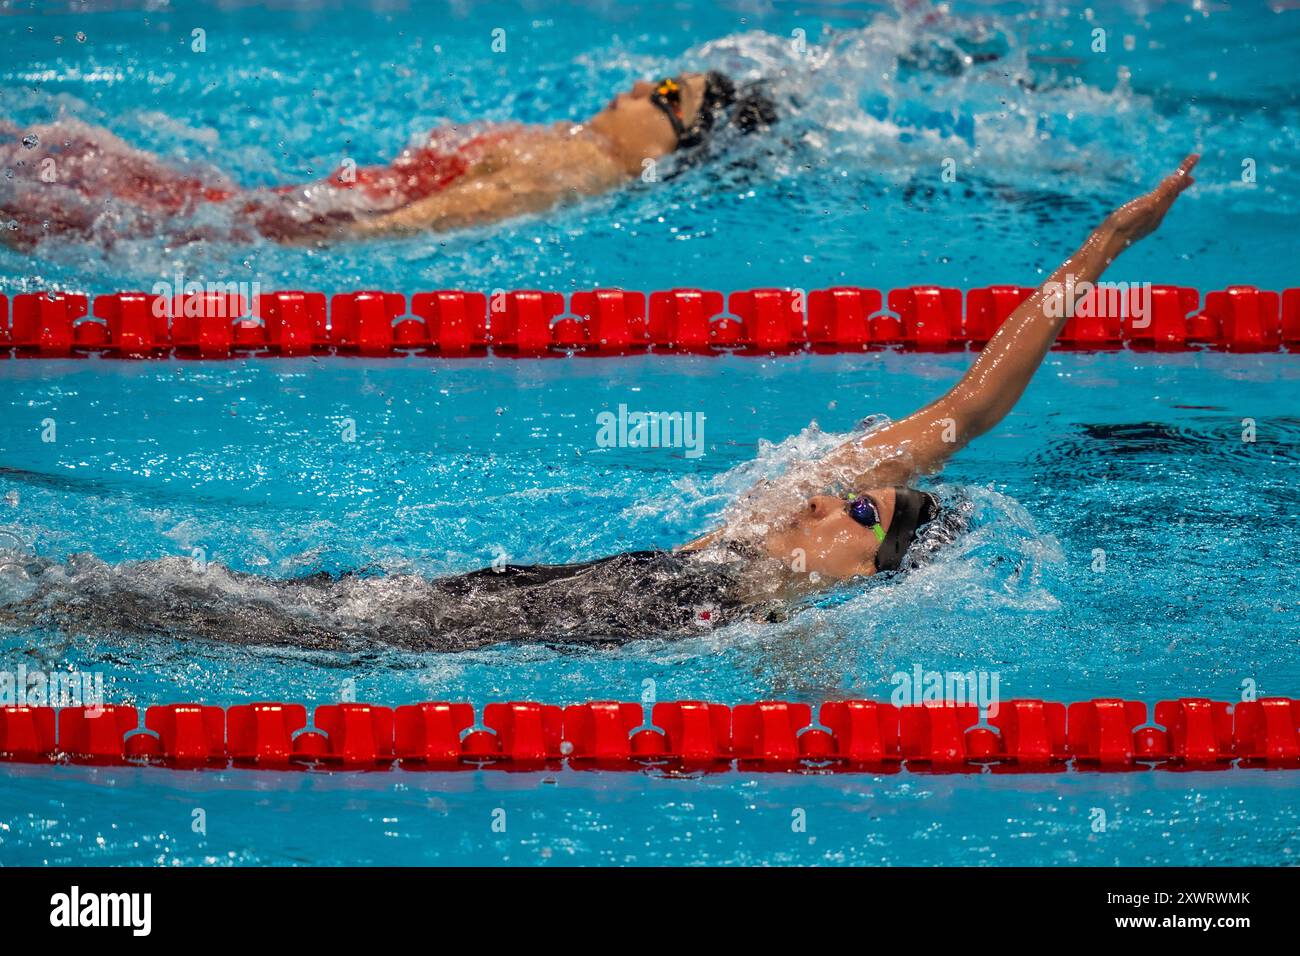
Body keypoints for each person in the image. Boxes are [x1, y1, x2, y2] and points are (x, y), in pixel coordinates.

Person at [0, 156, 1198, 651]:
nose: (855, 496)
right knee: (315, 604)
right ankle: (55, 593)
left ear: (865, 570)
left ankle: (61, 603)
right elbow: (979, 396)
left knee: (310, 627)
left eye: (875, 519)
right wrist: (1100, 244)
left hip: (585, 620)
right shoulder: (793, 518)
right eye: (875, 495)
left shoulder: (788, 601)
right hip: (569, 585)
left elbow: (801, 688)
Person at [0, 71, 777, 248]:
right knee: (65, 155)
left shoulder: (574, 169)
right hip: (276, 199)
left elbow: (436, 219)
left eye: (668, 91)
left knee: (49, 198)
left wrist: (312, 234)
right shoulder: (576, 145)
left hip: (286, 217)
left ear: (680, 142)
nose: (642, 84)